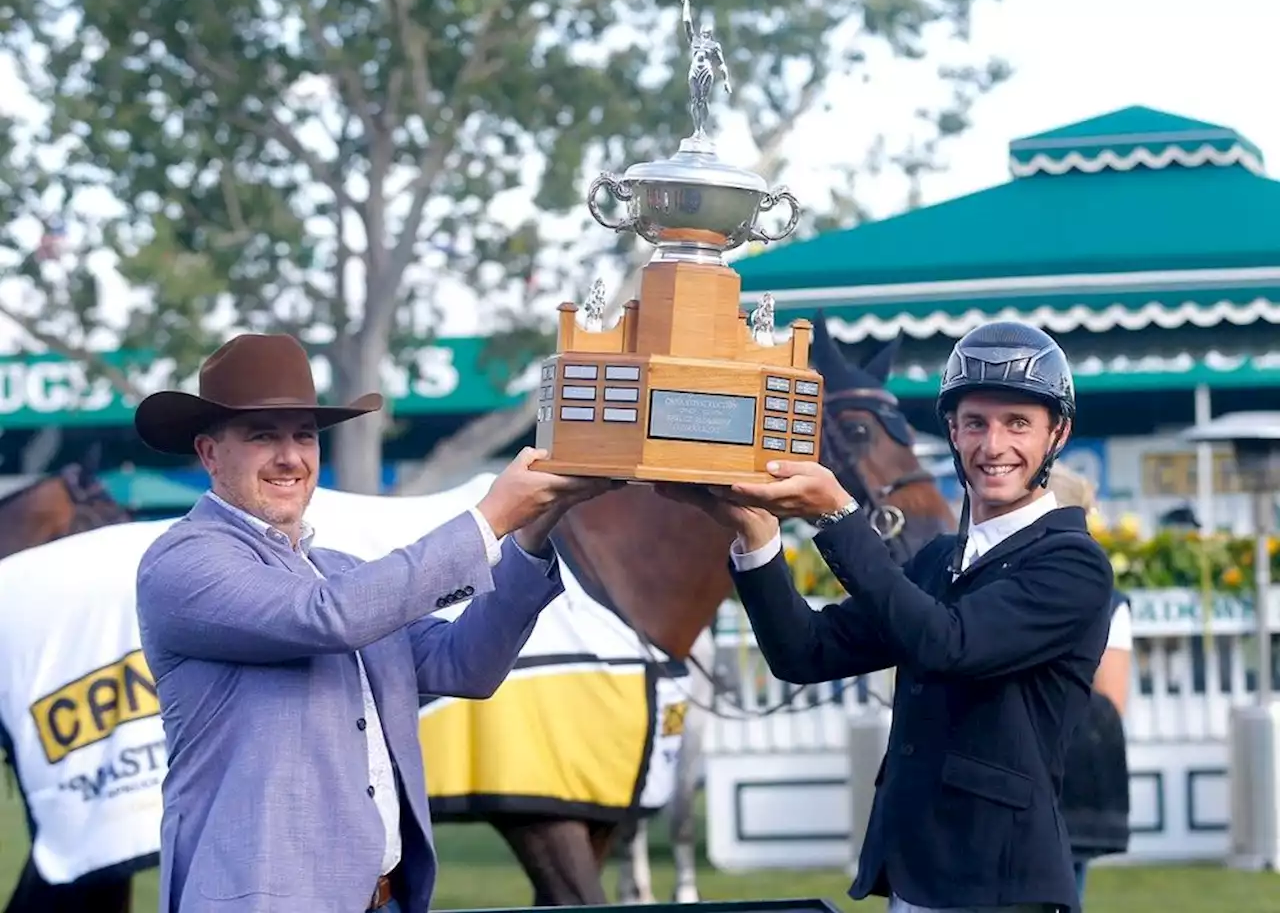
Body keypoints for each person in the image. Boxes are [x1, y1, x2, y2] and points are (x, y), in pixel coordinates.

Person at [131, 333, 614, 913]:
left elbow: (469, 665)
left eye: (304, 435)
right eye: (263, 435)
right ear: (210, 454)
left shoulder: (337, 574)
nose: (291, 456)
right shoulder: (182, 561)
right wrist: (489, 519)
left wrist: (532, 531)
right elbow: (328, 617)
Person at [658, 321, 1114, 913]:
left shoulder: (1073, 562)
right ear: (951, 430)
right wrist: (756, 535)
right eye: (975, 422)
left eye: (1018, 424)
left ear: (1058, 434)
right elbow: (805, 653)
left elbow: (949, 645)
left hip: (1000, 885)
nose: (993, 445)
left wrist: (838, 516)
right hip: (913, 875)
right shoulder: (937, 560)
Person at [1048, 467, 1132, 903]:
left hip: (1065, 771)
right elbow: (1112, 701)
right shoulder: (1108, 599)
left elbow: (1107, 702)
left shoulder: (1104, 599)